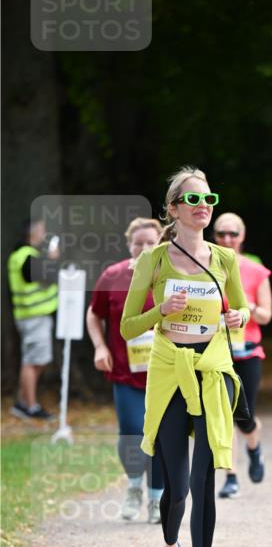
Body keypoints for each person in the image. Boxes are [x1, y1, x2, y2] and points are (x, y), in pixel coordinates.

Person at [120, 166, 250, 547]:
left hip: (211, 369)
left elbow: (243, 308)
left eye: (208, 200)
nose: (202, 208)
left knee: (204, 480)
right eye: (192, 201)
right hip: (169, 371)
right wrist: (161, 310)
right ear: (173, 209)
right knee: (178, 489)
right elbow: (126, 326)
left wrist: (239, 318)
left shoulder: (225, 259)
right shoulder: (152, 260)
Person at [86, 217, 165, 524]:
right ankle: (134, 486)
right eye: (138, 243)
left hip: (165, 371)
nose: (144, 248)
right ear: (129, 244)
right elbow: (94, 316)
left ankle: (157, 497)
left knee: (160, 436)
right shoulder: (113, 275)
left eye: (150, 242)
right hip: (125, 370)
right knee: (132, 431)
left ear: (160, 243)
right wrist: (100, 346)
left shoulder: (171, 274)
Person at [213, 212, 272, 498]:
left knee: (244, 417)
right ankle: (231, 477)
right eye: (221, 234)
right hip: (216, 351)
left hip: (248, 353)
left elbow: (266, 315)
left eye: (232, 234)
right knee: (223, 415)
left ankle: (254, 447)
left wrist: (247, 306)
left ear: (242, 236)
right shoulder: (205, 268)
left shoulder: (255, 270)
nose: (227, 239)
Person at [8, 218, 60, 420]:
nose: (44, 234)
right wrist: (53, 258)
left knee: (35, 360)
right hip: (34, 317)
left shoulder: (23, 256)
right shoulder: (28, 257)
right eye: (42, 230)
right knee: (33, 362)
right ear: (33, 233)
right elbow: (44, 277)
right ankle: (29, 407)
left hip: (31, 317)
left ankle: (24, 402)